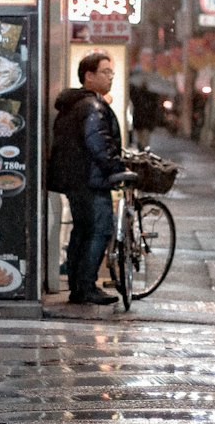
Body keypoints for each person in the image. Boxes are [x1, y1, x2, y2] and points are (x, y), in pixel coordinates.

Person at [47, 51, 124, 307]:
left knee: (82, 230)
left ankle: (79, 286)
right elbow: (98, 143)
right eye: (105, 72)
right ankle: (86, 286)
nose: (110, 77)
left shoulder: (75, 104)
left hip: (76, 179)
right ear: (88, 76)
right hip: (90, 180)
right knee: (99, 230)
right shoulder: (91, 106)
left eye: (111, 73)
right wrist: (116, 168)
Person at [129, 79, 160, 150]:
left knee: (142, 139)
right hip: (144, 122)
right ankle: (143, 149)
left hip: (141, 121)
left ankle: (142, 149)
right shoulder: (150, 97)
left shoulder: (140, 96)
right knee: (143, 139)